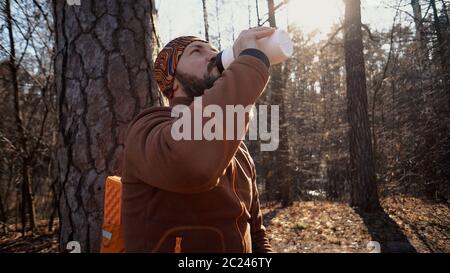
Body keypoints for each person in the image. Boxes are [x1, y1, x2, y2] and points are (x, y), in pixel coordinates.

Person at [121, 27, 275, 253]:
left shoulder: (238, 149)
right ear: (171, 81)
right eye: (196, 51)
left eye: (213, 49)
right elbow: (192, 166)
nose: (213, 55)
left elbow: (256, 232)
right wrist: (251, 63)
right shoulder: (148, 128)